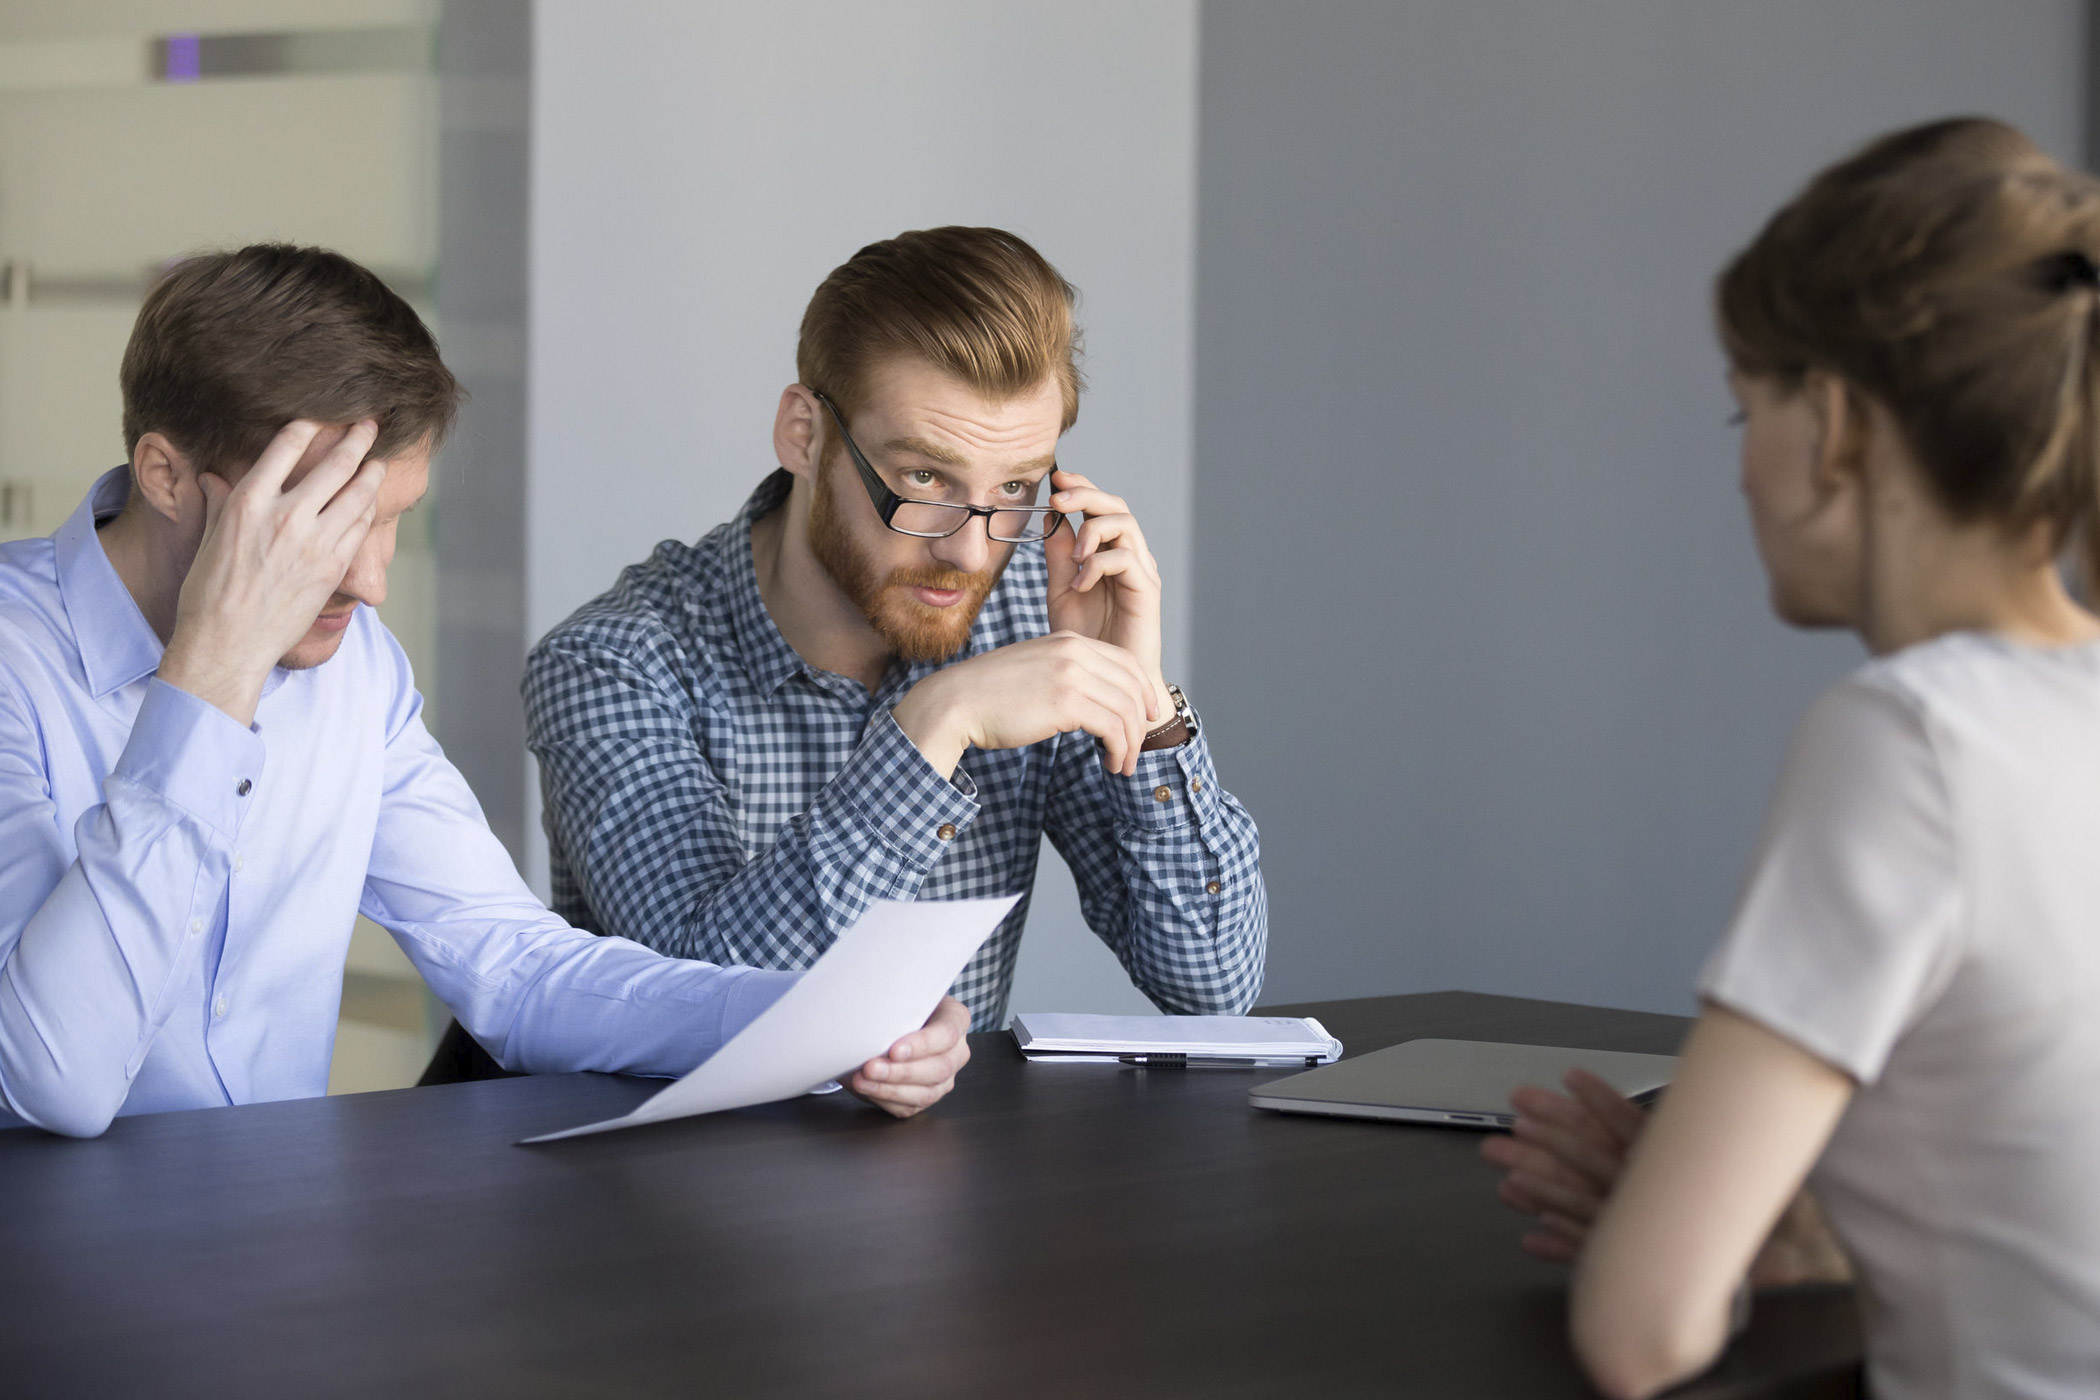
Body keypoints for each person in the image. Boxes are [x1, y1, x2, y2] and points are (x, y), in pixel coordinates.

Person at [0, 244, 969, 1138]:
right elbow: (56, 1080)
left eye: (394, 520)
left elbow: (513, 968)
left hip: (270, 1251)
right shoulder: (15, 660)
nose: (372, 581)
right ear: (166, 475)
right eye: (324, 522)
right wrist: (211, 674)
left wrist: (830, 1023)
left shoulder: (354, 663)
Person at [1481, 117, 2100, 1398]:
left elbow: (1640, 1333)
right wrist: (1784, 1227)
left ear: (1835, 424)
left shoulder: (1913, 737)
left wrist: (1664, 1235)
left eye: (1740, 408)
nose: (1744, 473)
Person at [523, 227, 1266, 1031]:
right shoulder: (614, 665)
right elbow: (700, 1006)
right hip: (682, 1154)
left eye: (1016, 486)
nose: (970, 550)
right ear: (804, 436)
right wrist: (933, 728)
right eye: (923, 477)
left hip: (950, 1153)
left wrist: (1142, 702)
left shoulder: (1031, 621)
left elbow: (1212, 986)